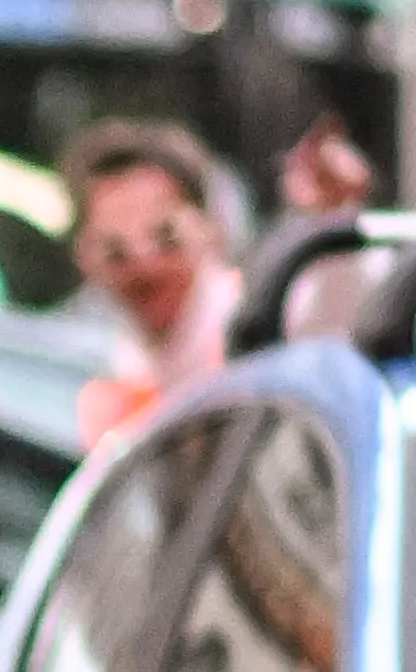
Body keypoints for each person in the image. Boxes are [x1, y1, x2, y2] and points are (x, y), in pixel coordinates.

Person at [66, 112, 373, 444]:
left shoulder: (259, 322)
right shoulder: (110, 385)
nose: (146, 265)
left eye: (165, 237)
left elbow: (331, 317)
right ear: (85, 256)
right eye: (117, 251)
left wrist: (332, 217)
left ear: (208, 229)